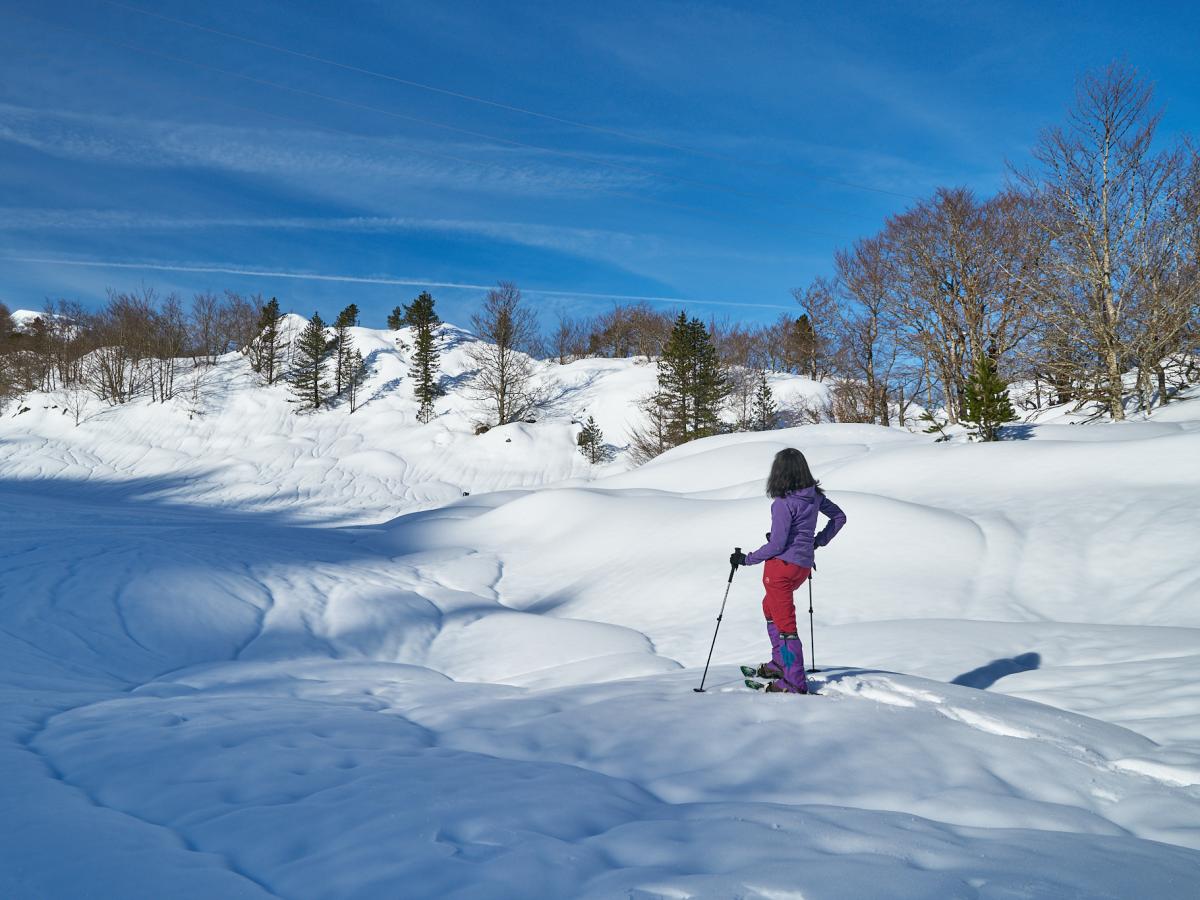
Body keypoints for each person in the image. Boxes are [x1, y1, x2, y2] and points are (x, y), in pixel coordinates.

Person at [730, 448, 846, 694]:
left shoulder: (783, 503)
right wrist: (816, 541)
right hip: (801, 567)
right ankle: (780, 664)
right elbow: (839, 517)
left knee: (786, 626)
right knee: (770, 608)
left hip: (780, 569)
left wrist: (747, 559)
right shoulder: (813, 497)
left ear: (779, 473)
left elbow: (777, 545)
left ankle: (793, 682)